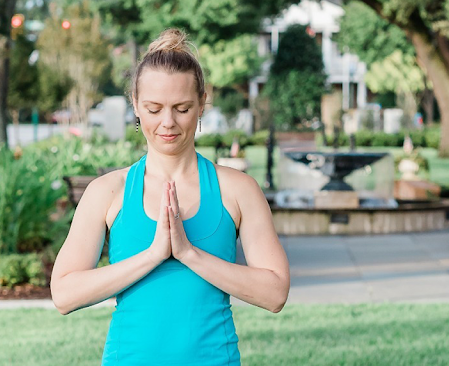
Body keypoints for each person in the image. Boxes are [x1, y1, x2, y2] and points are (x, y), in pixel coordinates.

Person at [50, 28, 290, 365]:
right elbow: (63, 294)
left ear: (202, 103)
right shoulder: (107, 192)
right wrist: (152, 255)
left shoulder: (237, 190)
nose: (168, 122)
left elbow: (275, 293)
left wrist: (190, 254)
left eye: (182, 108)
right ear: (135, 104)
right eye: (153, 108)